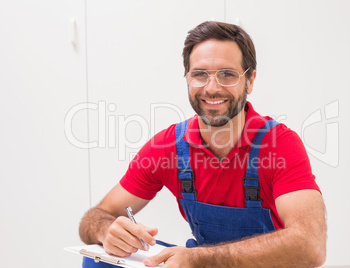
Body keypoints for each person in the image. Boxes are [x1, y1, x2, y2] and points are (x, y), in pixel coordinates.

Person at [79, 21, 327, 268]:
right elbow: (96, 217)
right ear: (187, 79)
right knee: (97, 260)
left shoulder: (279, 145)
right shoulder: (168, 148)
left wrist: (199, 259)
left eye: (227, 74)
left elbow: (311, 245)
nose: (212, 88)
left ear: (250, 80)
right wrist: (106, 230)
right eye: (200, 74)